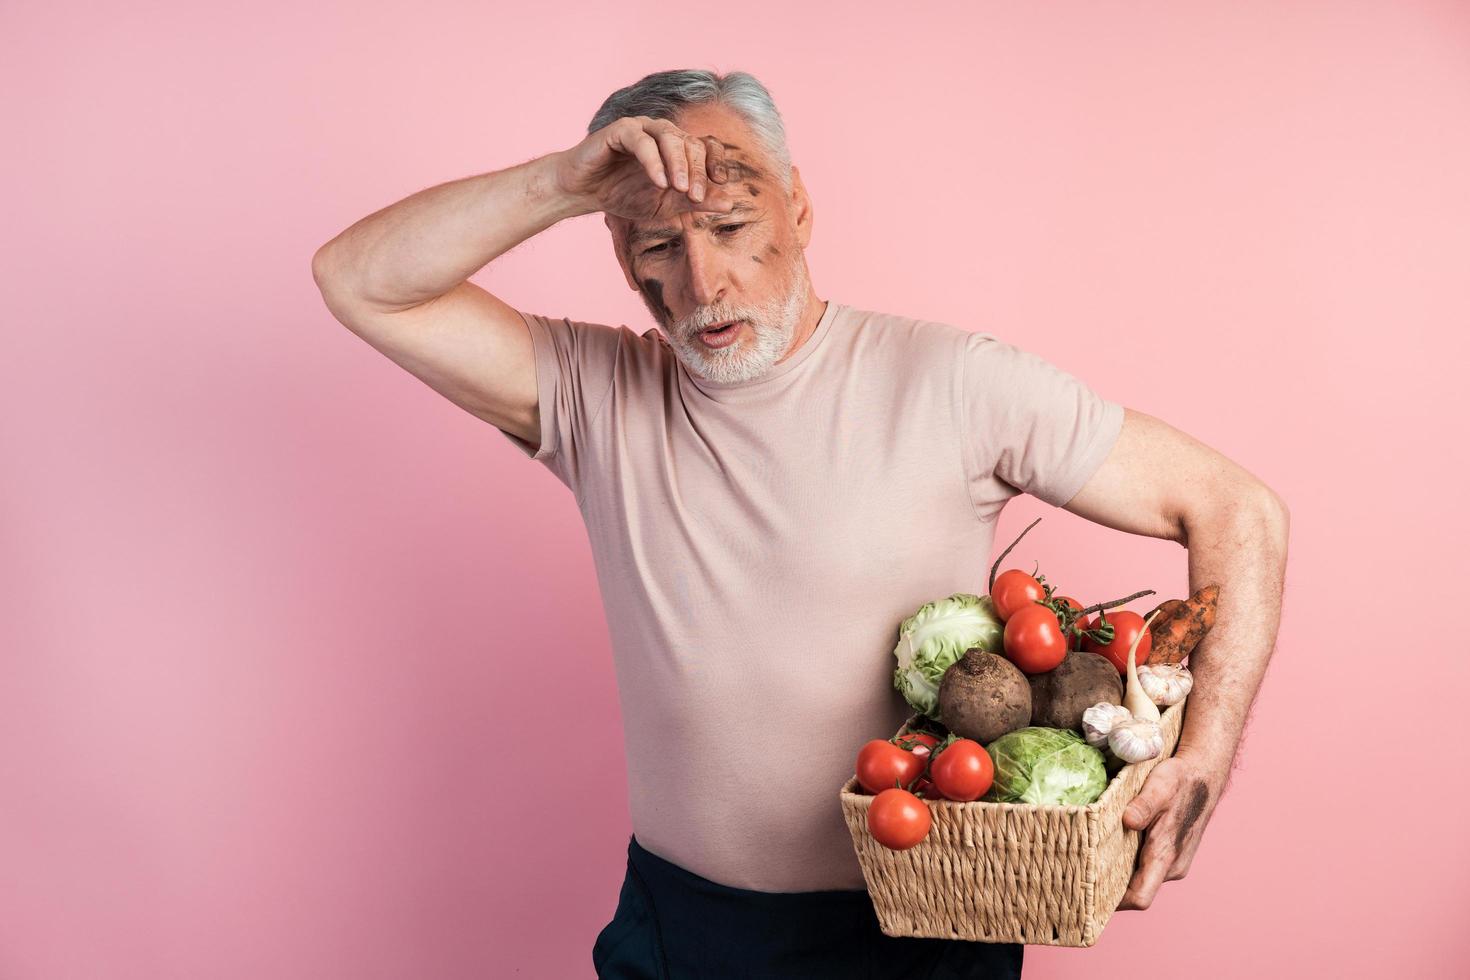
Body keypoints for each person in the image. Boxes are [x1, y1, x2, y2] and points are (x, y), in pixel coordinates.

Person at [312, 68, 1289, 980]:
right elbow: (361, 277)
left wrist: (1201, 756)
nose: (702, 282)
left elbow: (1236, 508)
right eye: (658, 243)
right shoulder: (593, 391)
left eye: (732, 225)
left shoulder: (954, 382)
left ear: (800, 207)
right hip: (683, 928)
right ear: (620, 255)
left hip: (925, 920)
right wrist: (562, 183)